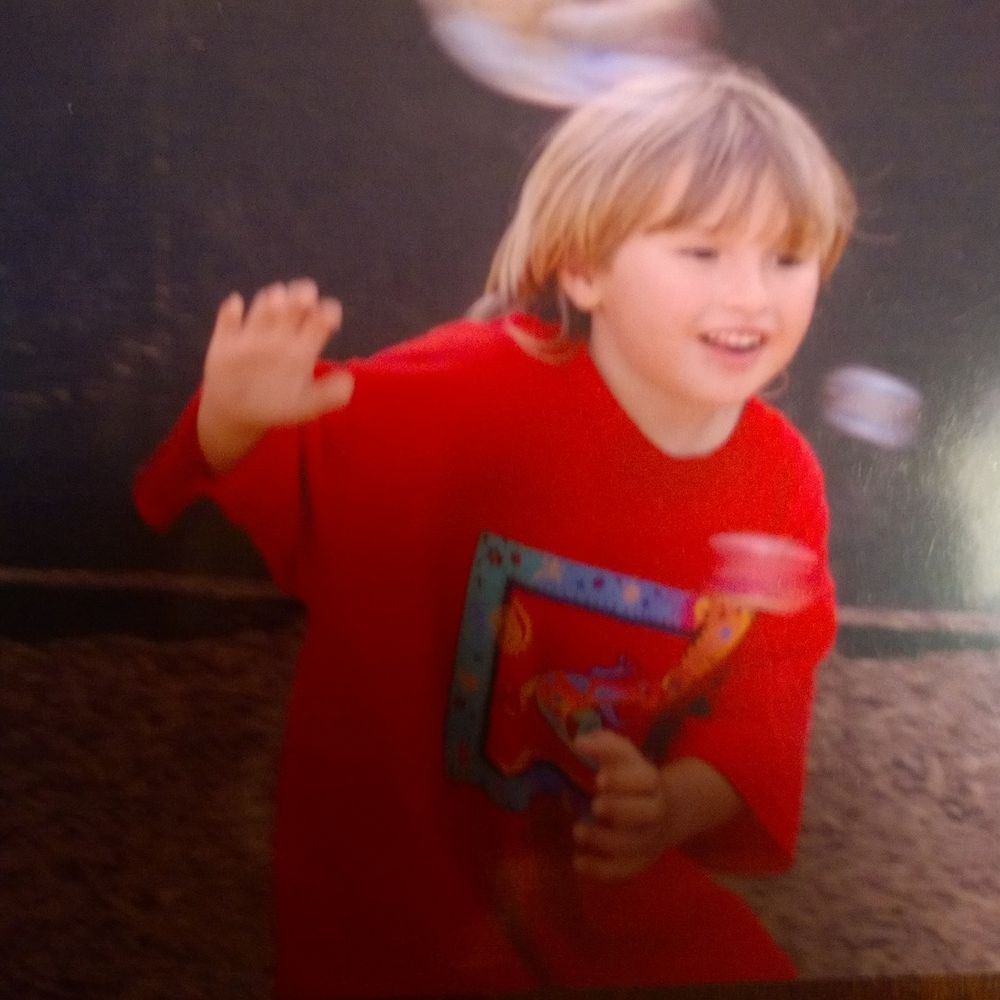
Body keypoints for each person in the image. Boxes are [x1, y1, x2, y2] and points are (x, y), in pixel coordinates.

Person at [135, 58, 856, 998]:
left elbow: (765, 691)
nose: (755, 296)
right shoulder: (469, 391)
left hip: (591, 878)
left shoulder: (781, 478)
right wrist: (238, 414)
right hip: (404, 867)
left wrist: (670, 808)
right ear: (586, 266)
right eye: (703, 252)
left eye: (787, 258)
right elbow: (295, 482)